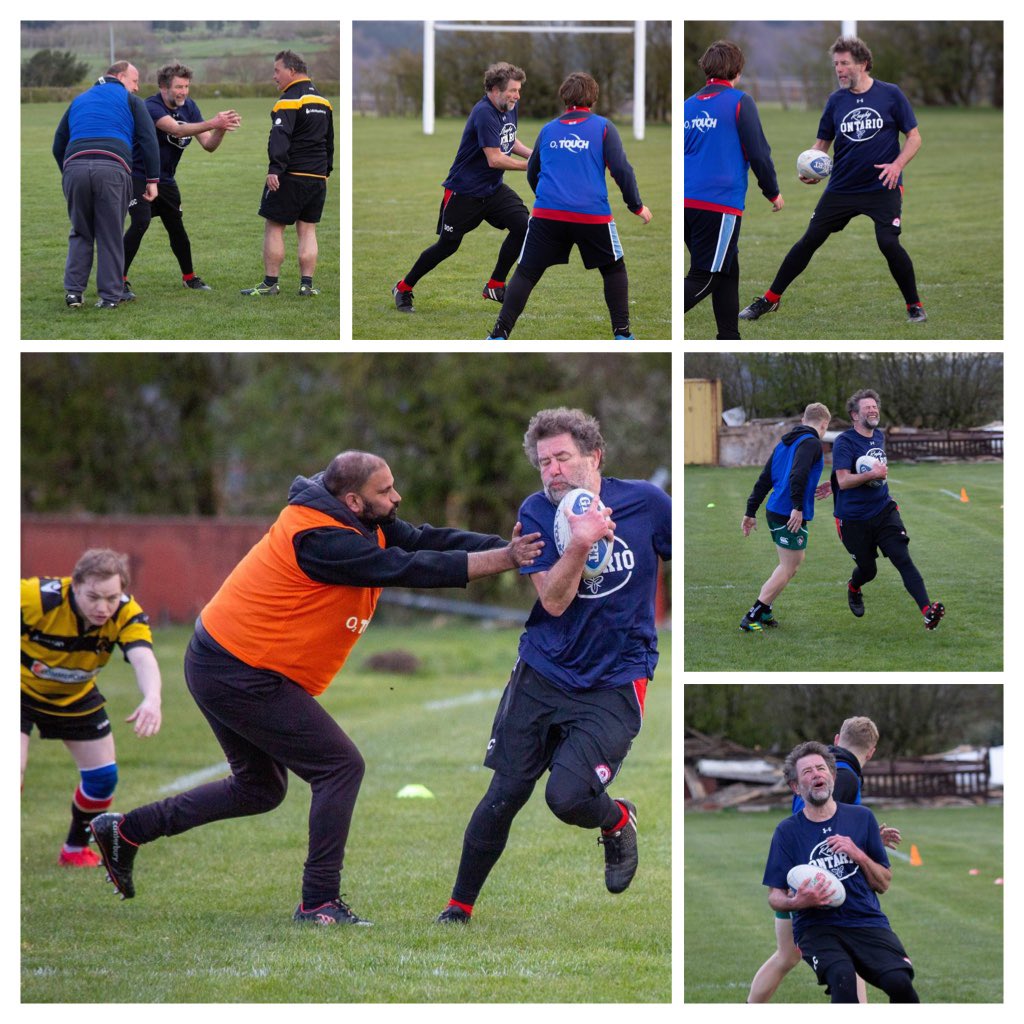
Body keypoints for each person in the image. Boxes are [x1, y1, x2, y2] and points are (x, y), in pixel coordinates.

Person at [89, 451, 543, 925]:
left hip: (228, 661)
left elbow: (427, 539)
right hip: (236, 669)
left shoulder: (361, 518)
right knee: (339, 767)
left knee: (260, 788)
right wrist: (507, 559)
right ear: (352, 499)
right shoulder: (319, 538)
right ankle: (318, 901)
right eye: (385, 491)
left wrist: (514, 548)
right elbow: (406, 567)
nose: (396, 497)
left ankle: (127, 831)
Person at [435, 408, 671, 924]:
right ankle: (458, 909)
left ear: (595, 457)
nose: (553, 471)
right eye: (544, 462)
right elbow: (557, 601)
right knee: (505, 794)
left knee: (566, 798)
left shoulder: (647, 504)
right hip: (544, 671)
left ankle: (617, 820)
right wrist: (582, 539)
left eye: (563, 457)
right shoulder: (538, 513)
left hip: (615, 679)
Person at [739, 36, 927, 326]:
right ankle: (769, 300)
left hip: (881, 187)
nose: (838, 69)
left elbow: (914, 137)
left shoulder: (890, 94)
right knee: (809, 241)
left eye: (844, 63)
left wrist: (897, 164)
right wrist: (811, 167)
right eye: (835, 64)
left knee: (888, 243)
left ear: (862, 64)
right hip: (842, 188)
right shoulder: (836, 100)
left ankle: (914, 305)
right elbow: (822, 144)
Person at [21, 549, 163, 867]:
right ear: (74, 585)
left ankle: (74, 851)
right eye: (93, 597)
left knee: (102, 779)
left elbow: (142, 657)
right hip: (19, 692)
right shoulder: (34, 599)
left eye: (112, 598)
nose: (103, 608)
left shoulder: (126, 613)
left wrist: (152, 697)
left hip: (76, 695)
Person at [486, 72, 652, 342]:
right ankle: (622, 335)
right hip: (592, 216)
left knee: (526, 272)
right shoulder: (603, 127)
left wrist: (546, 197)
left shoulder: (549, 129)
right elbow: (621, 170)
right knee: (613, 269)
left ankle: (498, 335)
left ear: (565, 97)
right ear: (593, 98)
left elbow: (533, 171)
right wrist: (636, 206)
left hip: (547, 214)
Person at [749, 718, 902, 1003]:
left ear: (836, 739)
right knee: (794, 956)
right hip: (809, 882)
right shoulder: (844, 777)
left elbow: (837, 827)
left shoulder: (834, 768)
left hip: (805, 874)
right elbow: (821, 826)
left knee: (789, 957)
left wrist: (869, 840)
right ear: (871, 752)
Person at [392, 62, 532, 314]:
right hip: (464, 191)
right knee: (448, 245)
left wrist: (533, 155)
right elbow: (495, 159)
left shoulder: (509, 106)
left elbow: (509, 137)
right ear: (495, 89)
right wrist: (530, 166)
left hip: (492, 188)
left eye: (518, 90)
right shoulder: (483, 113)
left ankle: (495, 285)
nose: (517, 96)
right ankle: (403, 287)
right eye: (512, 90)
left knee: (523, 225)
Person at [684, 40, 783, 341]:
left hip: (686, 202)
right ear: (737, 70)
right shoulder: (740, 102)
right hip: (717, 204)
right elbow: (759, 153)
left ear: (706, 68)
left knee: (728, 269)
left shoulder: (688, 105)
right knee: (707, 275)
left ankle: (729, 336)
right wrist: (772, 192)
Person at [122, 63, 242, 299]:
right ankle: (119, 279)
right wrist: (212, 122)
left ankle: (189, 278)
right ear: (164, 87)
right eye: (178, 86)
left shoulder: (190, 107)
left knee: (177, 228)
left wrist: (221, 128)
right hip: (139, 175)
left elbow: (208, 144)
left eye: (186, 86)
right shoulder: (150, 106)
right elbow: (176, 130)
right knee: (140, 223)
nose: (183, 92)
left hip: (166, 180)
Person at [832, 388, 944, 629]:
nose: (873, 410)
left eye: (875, 407)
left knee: (902, 558)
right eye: (867, 407)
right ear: (854, 415)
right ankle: (854, 587)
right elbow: (842, 480)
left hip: (883, 510)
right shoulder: (844, 442)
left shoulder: (879, 436)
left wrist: (871, 476)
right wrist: (872, 474)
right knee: (868, 570)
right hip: (853, 519)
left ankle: (927, 611)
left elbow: (859, 474)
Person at [52, 61, 159, 309]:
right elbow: (148, 139)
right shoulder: (131, 101)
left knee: (80, 231)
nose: (137, 87)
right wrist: (152, 180)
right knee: (110, 234)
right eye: (134, 81)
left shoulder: (79, 100)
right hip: (112, 168)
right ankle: (109, 297)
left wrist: (67, 173)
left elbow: (58, 144)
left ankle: (73, 294)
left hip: (75, 168)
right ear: (121, 77)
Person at [241, 50, 333, 298]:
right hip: (316, 177)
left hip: (289, 175)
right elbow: (329, 142)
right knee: (308, 229)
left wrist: (275, 169)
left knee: (274, 226)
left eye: (277, 70)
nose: (274, 76)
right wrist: (325, 172)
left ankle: (270, 283)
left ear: (292, 71)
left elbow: (280, 138)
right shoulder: (324, 102)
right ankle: (307, 284)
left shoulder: (287, 100)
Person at [739, 403, 832, 631]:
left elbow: (765, 478)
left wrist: (750, 511)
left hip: (778, 509)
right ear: (824, 424)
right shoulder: (811, 443)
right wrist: (798, 507)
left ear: (803, 420)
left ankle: (766, 611)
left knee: (791, 563)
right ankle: (753, 615)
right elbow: (797, 473)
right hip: (787, 511)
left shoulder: (785, 442)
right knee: (790, 566)